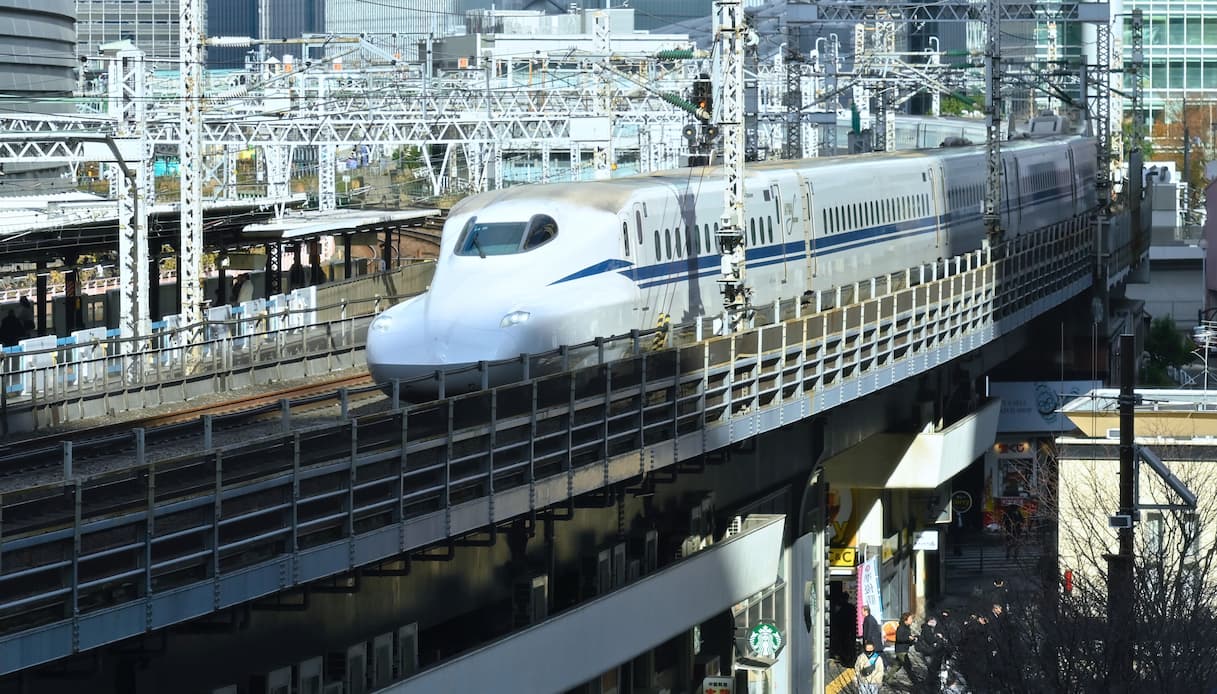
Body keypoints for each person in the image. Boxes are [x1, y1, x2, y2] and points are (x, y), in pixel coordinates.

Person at [887, 612, 917, 684]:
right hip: (901, 650)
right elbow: (899, 638)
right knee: (908, 666)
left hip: (904, 649)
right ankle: (915, 682)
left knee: (897, 665)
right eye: (910, 619)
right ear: (905, 619)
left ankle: (887, 678)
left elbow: (907, 641)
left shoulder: (907, 628)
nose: (911, 620)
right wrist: (908, 638)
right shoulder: (901, 627)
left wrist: (913, 640)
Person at [917, 614, 949, 680]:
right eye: (934, 621)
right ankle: (930, 683)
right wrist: (937, 637)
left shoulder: (928, 628)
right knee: (932, 669)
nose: (936, 623)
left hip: (928, 650)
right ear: (930, 621)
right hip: (928, 650)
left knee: (932, 669)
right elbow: (930, 639)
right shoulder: (927, 629)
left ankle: (931, 682)